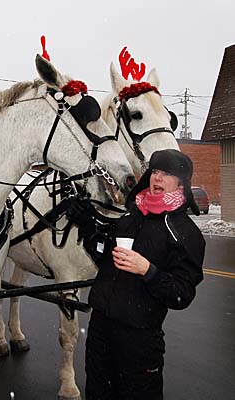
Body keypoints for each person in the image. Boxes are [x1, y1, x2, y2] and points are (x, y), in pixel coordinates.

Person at [84, 149, 205, 400]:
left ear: (181, 182)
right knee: (97, 393)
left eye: (167, 173)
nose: (157, 178)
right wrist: (91, 235)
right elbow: (106, 262)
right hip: (101, 327)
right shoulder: (131, 215)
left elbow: (181, 294)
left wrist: (148, 271)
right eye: (156, 171)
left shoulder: (185, 232)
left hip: (139, 340)